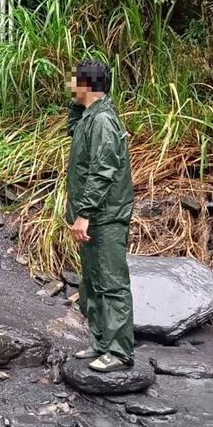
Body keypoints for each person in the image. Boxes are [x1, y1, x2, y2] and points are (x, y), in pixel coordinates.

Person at [65, 60, 135, 372]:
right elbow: (72, 128)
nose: (70, 85)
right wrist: (77, 101)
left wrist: (84, 214)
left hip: (105, 217)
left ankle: (119, 352)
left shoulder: (104, 121)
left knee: (111, 282)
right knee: (92, 281)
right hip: (95, 216)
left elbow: (103, 171)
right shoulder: (89, 116)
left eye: (75, 82)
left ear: (87, 85)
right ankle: (101, 342)